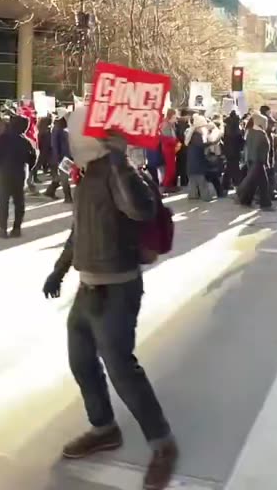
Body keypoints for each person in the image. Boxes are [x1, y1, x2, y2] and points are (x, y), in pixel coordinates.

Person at [41, 115, 178, 490]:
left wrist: (118, 160)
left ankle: (162, 445)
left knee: (121, 370)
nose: (70, 138)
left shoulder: (120, 172)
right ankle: (104, 427)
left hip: (116, 289)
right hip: (88, 288)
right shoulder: (85, 176)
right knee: (81, 361)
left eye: (75, 132)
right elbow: (79, 230)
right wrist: (60, 270)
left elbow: (141, 209)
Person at [0, 114, 38, 238]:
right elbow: (33, 159)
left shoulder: (2, 139)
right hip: (18, 175)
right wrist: (29, 170)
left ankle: (3, 230)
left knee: (3, 202)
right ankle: (16, 229)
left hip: (3, 174)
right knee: (19, 203)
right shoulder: (25, 142)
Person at [235, 113, 275, 210]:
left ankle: (246, 200)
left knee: (256, 182)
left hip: (251, 160)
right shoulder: (261, 134)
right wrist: (266, 162)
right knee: (263, 184)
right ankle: (265, 204)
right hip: (259, 161)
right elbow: (263, 150)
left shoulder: (250, 132)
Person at [183, 114, 215, 201]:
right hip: (197, 163)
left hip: (191, 163)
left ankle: (193, 195)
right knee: (202, 182)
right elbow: (202, 145)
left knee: (193, 181)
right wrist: (212, 141)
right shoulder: (196, 136)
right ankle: (206, 197)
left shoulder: (191, 135)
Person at [46, 114, 74, 203]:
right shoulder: (57, 128)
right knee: (64, 178)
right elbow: (54, 144)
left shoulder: (67, 127)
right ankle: (67, 197)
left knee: (61, 177)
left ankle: (50, 191)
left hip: (69, 156)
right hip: (63, 157)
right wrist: (57, 159)